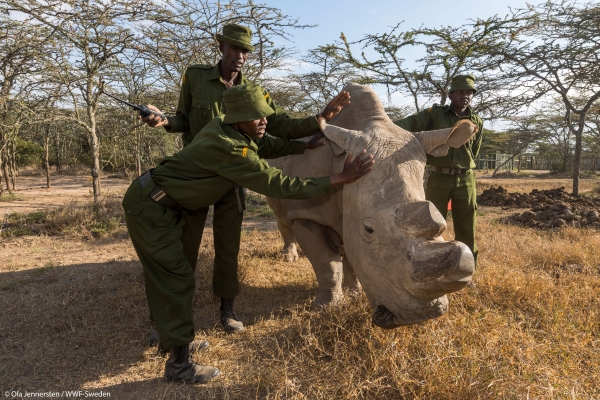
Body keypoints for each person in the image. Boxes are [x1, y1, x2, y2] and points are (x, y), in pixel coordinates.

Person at [123, 84, 374, 384]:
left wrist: (302, 145)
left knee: (169, 277)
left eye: (265, 115)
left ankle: (172, 339)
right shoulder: (230, 149)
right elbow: (281, 185)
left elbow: (266, 146)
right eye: (257, 117)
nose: (265, 121)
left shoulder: (226, 127)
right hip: (152, 208)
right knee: (174, 278)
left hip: (163, 202)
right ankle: (179, 365)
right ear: (239, 117)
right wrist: (342, 177)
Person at [140, 23, 351, 336]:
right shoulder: (196, 77)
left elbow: (280, 125)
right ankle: (169, 315)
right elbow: (183, 119)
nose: (240, 55)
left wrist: (320, 118)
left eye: (246, 50)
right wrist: (165, 120)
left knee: (229, 246)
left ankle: (227, 309)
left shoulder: (254, 91)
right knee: (186, 245)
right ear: (221, 48)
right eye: (235, 48)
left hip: (233, 175)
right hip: (197, 178)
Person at [394, 74, 483, 265]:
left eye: (469, 92)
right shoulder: (434, 114)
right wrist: (386, 128)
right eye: (460, 92)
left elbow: (474, 152)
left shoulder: (477, 121)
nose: (465, 96)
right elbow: (409, 124)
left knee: (467, 227)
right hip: (438, 178)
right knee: (432, 225)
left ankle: (468, 268)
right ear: (450, 95)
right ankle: (430, 264)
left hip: (466, 179)